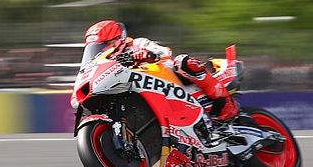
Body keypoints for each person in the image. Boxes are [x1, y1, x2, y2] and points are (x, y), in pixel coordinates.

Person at [83, 19, 239, 122]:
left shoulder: (137, 44)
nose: (102, 51)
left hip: (174, 84)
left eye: (105, 45)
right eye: (96, 48)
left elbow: (165, 52)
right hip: (151, 98)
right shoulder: (108, 65)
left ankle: (226, 105)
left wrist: (147, 54)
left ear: (118, 39)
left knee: (183, 62)